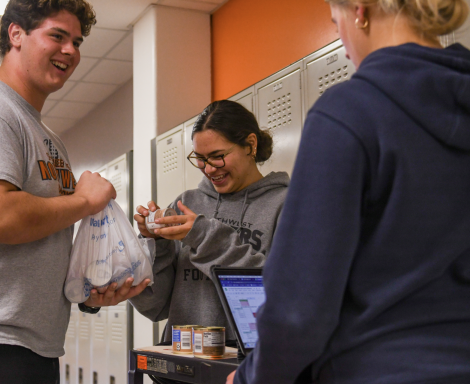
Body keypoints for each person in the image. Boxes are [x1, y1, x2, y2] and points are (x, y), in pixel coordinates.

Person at [230, 0, 470, 383]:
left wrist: (249, 378)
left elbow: (298, 312)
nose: (342, 43)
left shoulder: (349, 112)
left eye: (335, 22)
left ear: (360, 10)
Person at [0, 1, 149, 383]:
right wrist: (83, 201)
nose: (71, 51)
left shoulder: (47, 137)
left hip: (31, 345)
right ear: (16, 35)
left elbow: (40, 244)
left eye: (77, 41)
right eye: (57, 35)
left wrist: (86, 295)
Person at [130, 100, 290, 342]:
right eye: (200, 158)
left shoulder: (285, 205)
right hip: (183, 362)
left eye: (217, 156)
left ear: (250, 145)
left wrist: (204, 235)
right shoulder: (187, 202)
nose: (208, 169)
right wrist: (155, 244)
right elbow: (155, 306)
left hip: (247, 365)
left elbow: (283, 294)